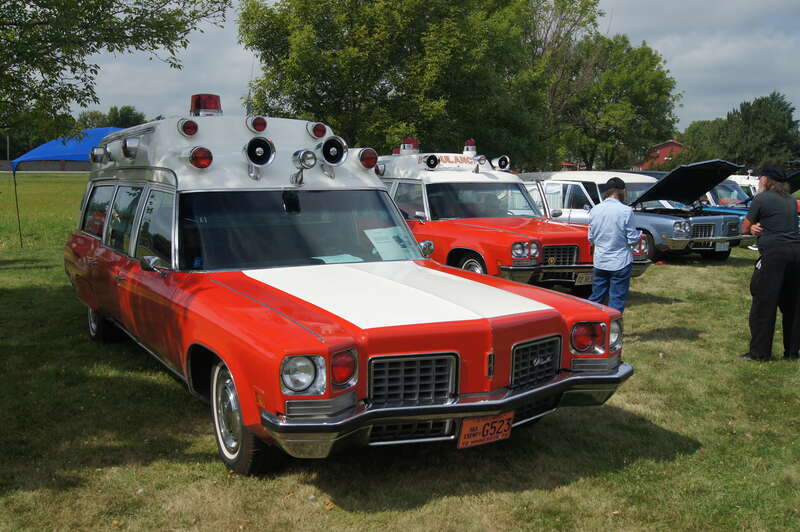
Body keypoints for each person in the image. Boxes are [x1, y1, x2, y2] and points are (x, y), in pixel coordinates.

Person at [741, 164, 800, 361]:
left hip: (774, 254)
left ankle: (759, 353)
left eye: (761, 178)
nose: (759, 181)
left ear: (767, 180)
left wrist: (752, 229)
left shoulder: (761, 198)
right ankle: (791, 352)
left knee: (763, 304)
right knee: (792, 305)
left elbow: (745, 227)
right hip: (796, 253)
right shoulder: (791, 201)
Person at [587, 177, 642, 313]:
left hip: (600, 261)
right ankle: (613, 331)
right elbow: (632, 239)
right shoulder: (625, 211)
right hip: (620, 261)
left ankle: (590, 327)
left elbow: (591, 237)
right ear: (622, 191)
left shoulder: (595, 210)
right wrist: (639, 235)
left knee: (596, 298)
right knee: (616, 300)